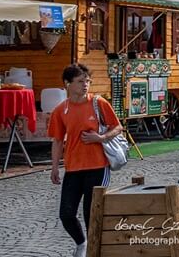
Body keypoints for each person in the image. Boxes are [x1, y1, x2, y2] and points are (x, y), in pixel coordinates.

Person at [50, 63, 123, 257]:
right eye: (80, 81)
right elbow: (57, 140)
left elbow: (117, 127)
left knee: (91, 213)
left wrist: (101, 138)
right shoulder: (60, 110)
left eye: (87, 81)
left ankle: (95, 250)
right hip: (73, 167)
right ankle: (81, 243)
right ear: (67, 84)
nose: (85, 85)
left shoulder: (98, 103)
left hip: (98, 165)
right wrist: (55, 167)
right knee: (66, 214)